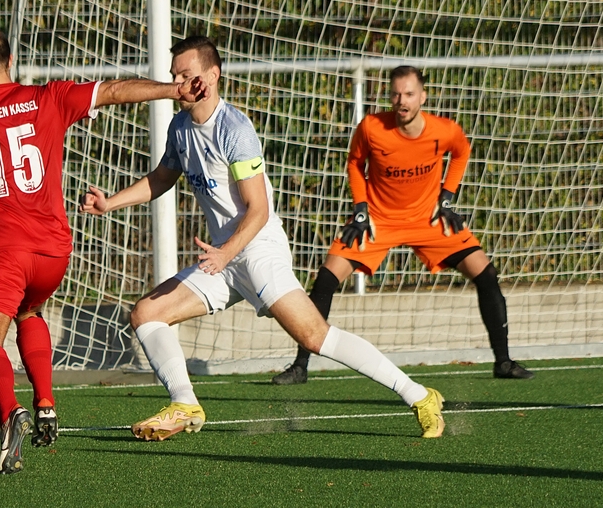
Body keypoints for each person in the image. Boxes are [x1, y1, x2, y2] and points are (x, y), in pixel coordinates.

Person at [79, 36, 445, 441]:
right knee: (146, 314)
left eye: (186, 75)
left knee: (314, 336)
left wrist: (227, 253)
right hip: (223, 257)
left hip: (256, 249)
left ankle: (419, 395)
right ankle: (185, 404)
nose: (178, 83)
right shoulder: (180, 126)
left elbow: (259, 210)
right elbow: (163, 177)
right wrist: (110, 202)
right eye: (174, 76)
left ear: (212, 76)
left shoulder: (234, 129)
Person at [0, 26, 206, 474]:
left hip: (3, 253)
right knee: (29, 312)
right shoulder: (49, 97)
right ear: (10, 62)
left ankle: (11, 412)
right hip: (53, 255)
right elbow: (113, 91)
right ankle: (46, 403)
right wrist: (172, 89)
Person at [271, 65, 534, 386]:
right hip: (378, 220)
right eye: (396, 94)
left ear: (423, 96)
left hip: (428, 220)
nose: (402, 101)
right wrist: (360, 209)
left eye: (409, 94)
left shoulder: (444, 130)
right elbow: (355, 163)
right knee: (326, 279)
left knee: (486, 273)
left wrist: (447, 197)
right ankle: (300, 366)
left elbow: (461, 152)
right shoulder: (372, 128)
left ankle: (503, 362)